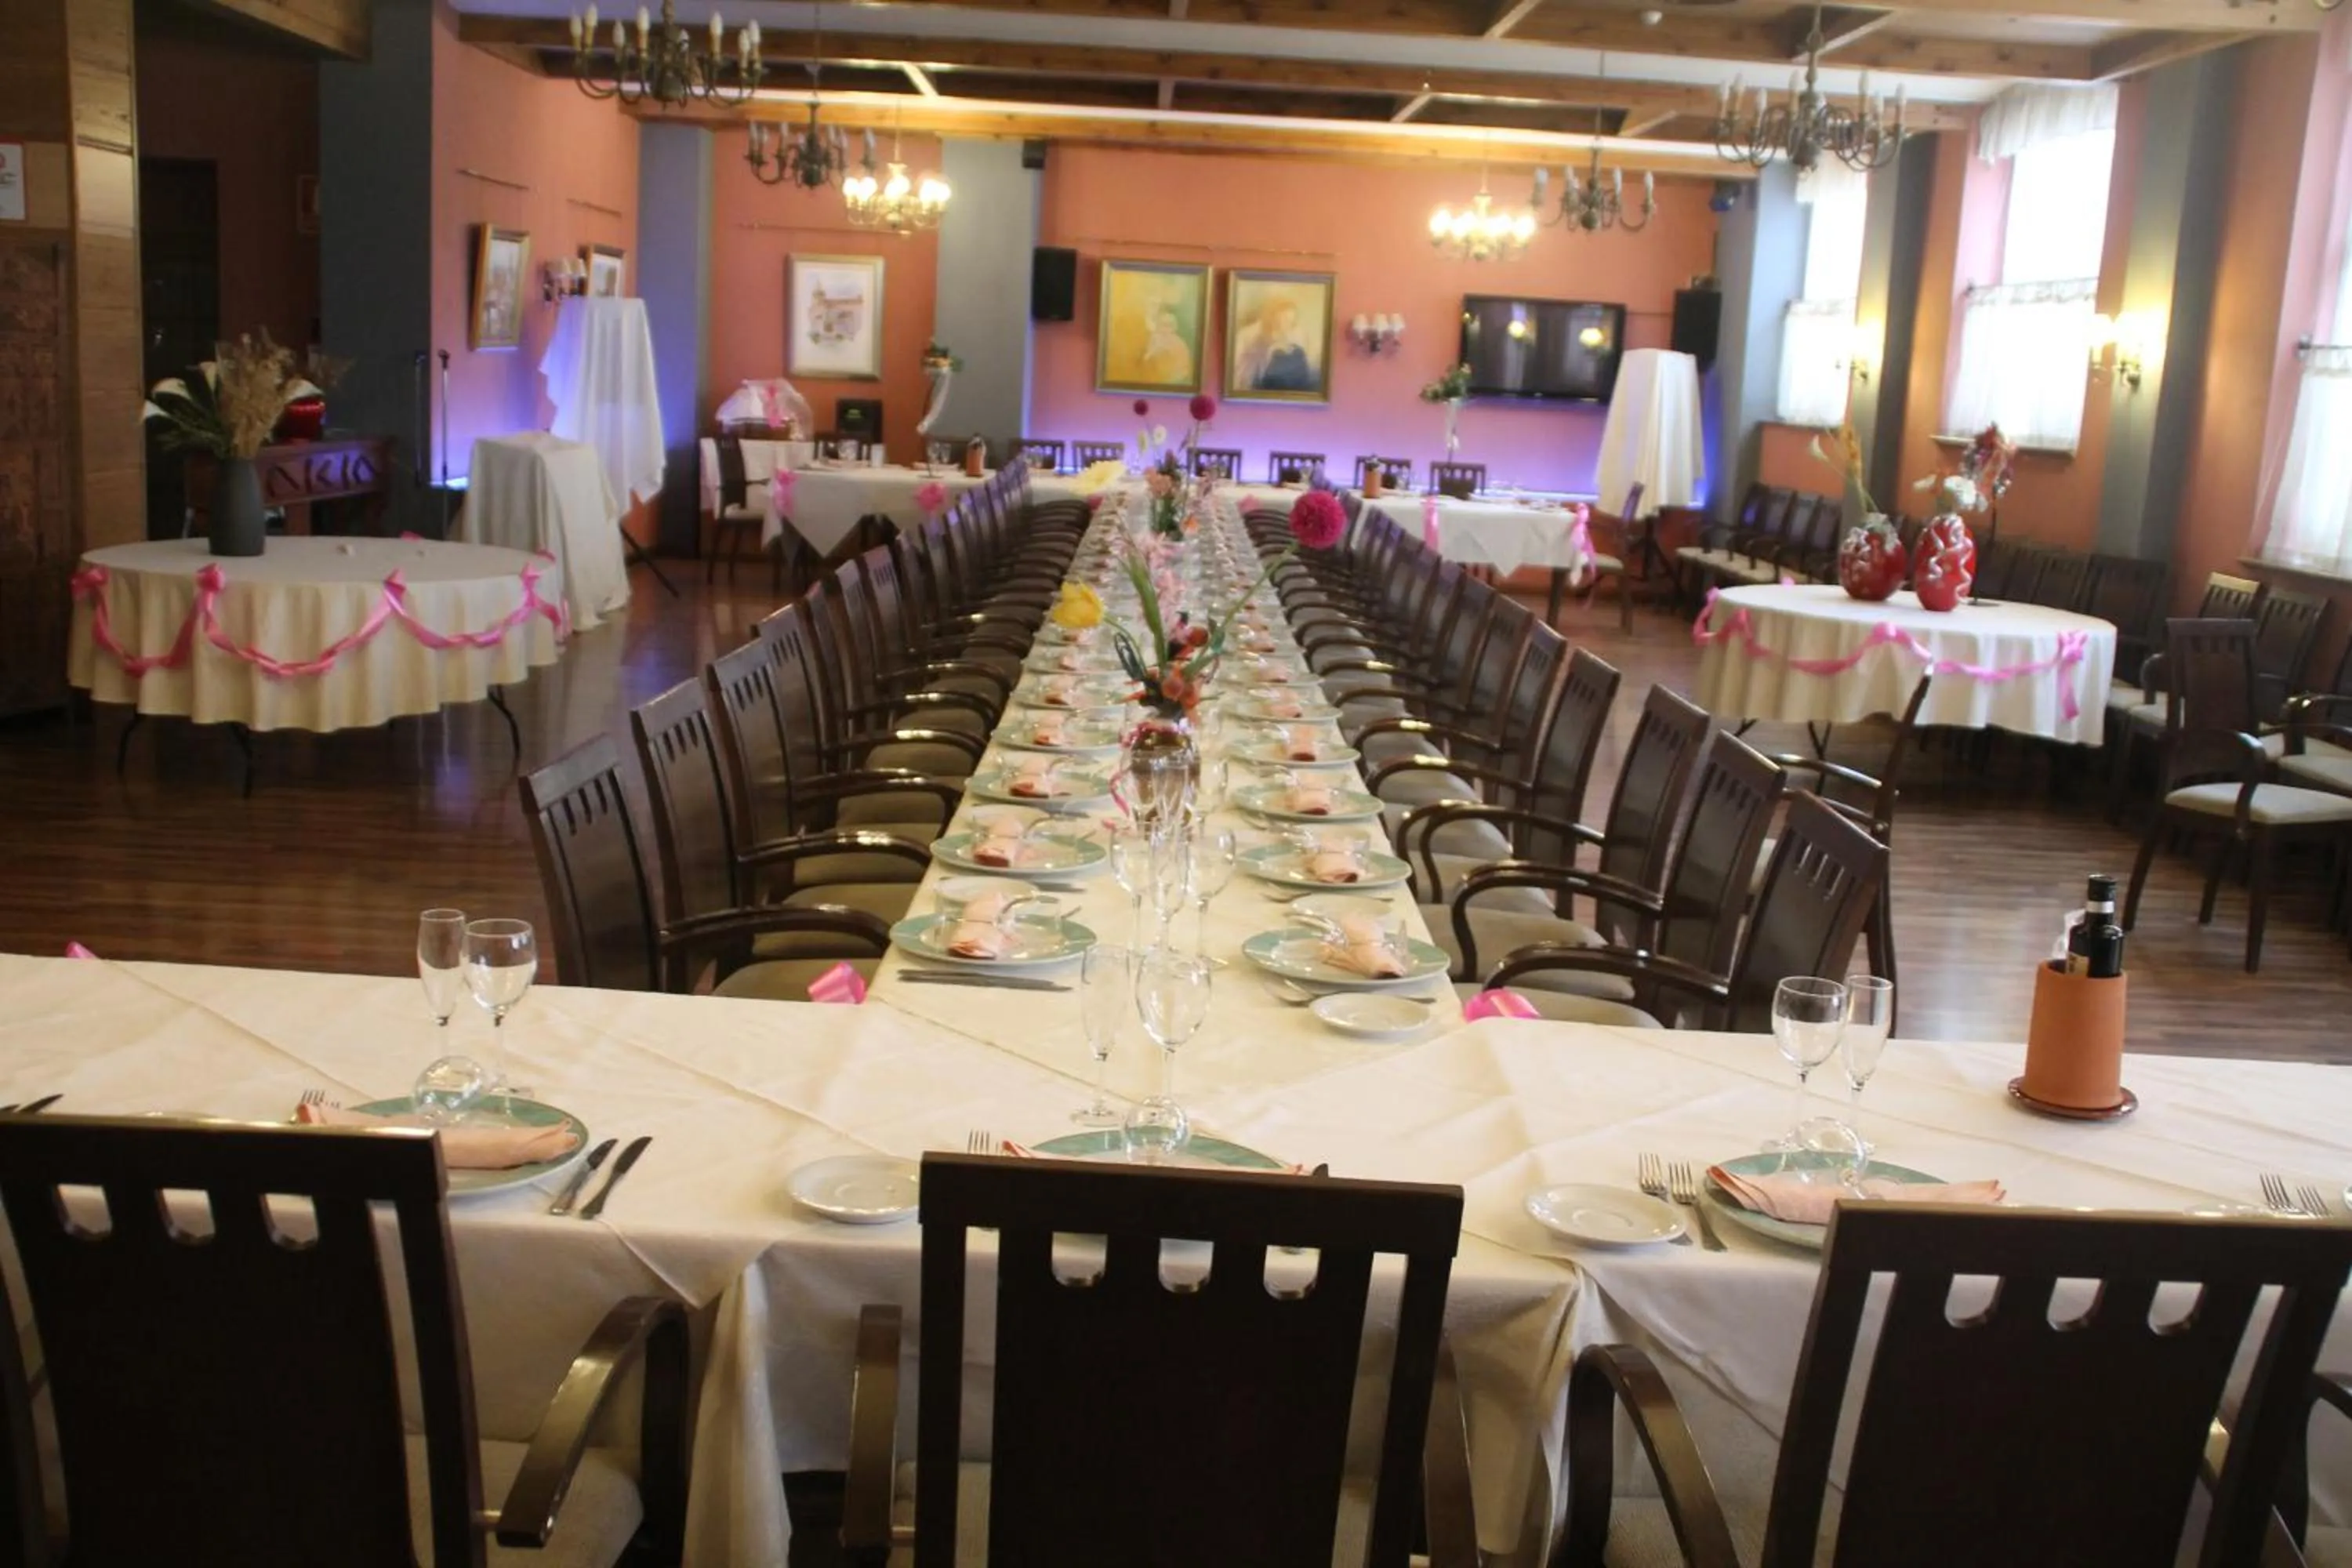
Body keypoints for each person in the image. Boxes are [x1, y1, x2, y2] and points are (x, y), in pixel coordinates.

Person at [1237, 296, 1316, 394]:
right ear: (1273, 318)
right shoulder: (1255, 341)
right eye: (1283, 319)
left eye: (1290, 321)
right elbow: (1252, 378)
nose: (1285, 325)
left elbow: (1304, 379)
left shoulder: (1297, 349)